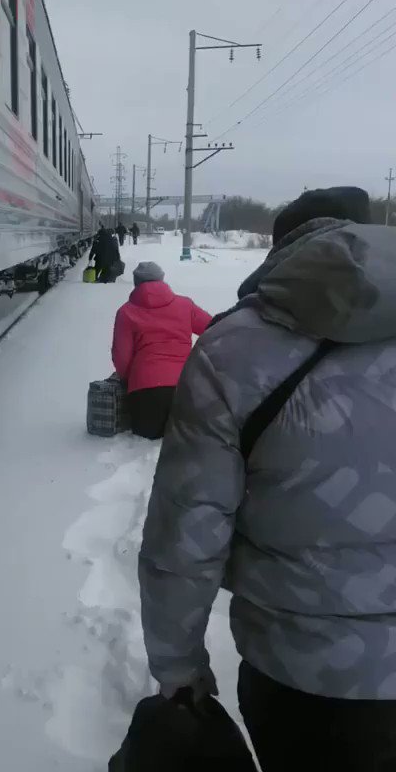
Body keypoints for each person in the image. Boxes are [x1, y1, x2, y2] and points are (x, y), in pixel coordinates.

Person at [137, 186, 396, 771]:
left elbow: (187, 529)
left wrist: (178, 666)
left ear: (281, 250)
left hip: (306, 673)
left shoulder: (234, 350)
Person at [112, 262, 211, 439]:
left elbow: (122, 356)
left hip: (147, 392)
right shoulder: (185, 305)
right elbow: (213, 328)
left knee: (148, 439)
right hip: (187, 387)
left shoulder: (126, 312)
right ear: (162, 280)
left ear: (136, 283)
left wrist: (128, 379)